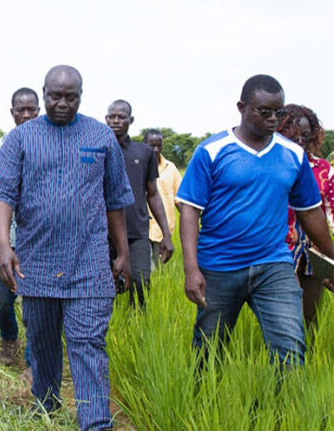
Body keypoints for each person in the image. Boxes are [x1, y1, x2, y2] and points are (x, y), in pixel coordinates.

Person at [0, 65, 133, 430]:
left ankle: (96, 423)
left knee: (87, 344)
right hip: (36, 262)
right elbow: (2, 195)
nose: (63, 103)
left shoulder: (100, 136)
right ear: (44, 93)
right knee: (43, 341)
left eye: (71, 97)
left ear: (81, 95)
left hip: (89, 263)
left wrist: (123, 252)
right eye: (55, 96)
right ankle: (46, 406)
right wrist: (4, 245)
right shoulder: (21, 139)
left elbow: (115, 199)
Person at [177, 75, 334, 368]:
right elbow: (190, 211)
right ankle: (201, 403)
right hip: (220, 266)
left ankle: (283, 410)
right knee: (208, 349)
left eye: (279, 112)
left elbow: (311, 212)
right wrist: (191, 269)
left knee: (290, 346)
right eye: (265, 112)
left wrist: (332, 259)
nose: (274, 118)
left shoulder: (293, 155)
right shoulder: (212, 151)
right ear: (242, 107)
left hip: (274, 264)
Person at [0, 87, 39, 367]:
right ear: (12, 112)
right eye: (21, 110)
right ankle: (9, 340)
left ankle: (33, 354)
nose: (26, 115)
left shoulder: (50, 143)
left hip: (39, 239)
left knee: (34, 302)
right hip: (8, 238)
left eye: (32, 110)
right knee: (3, 300)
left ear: (39, 111)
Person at [268, 104, 334, 328]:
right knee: (287, 317)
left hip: (314, 253)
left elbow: (330, 211)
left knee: (311, 317)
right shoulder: (271, 167)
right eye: (293, 137)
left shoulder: (323, 169)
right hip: (279, 252)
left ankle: (308, 360)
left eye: (305, 137)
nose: (300, 143)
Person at [106, 101, 174, 307]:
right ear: (106, 118)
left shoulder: (143, 152)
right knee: (104, 285)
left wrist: (166, 234)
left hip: (137, 231)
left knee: (141, 281)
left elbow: (152, 194)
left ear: (131, 120)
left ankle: (137, 321)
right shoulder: (98, 150)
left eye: (122, 117)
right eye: (112, 117)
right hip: (102, 232)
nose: (116, 121)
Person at [143, 129, 182, 270]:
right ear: (143, 144)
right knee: (145, 273)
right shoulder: (138, 165)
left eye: (159, 146)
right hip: (143, 231)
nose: (155, 150)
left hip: (163, 232)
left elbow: (180, 199)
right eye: (151, 146)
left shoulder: (170, 168)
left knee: (161, 272)